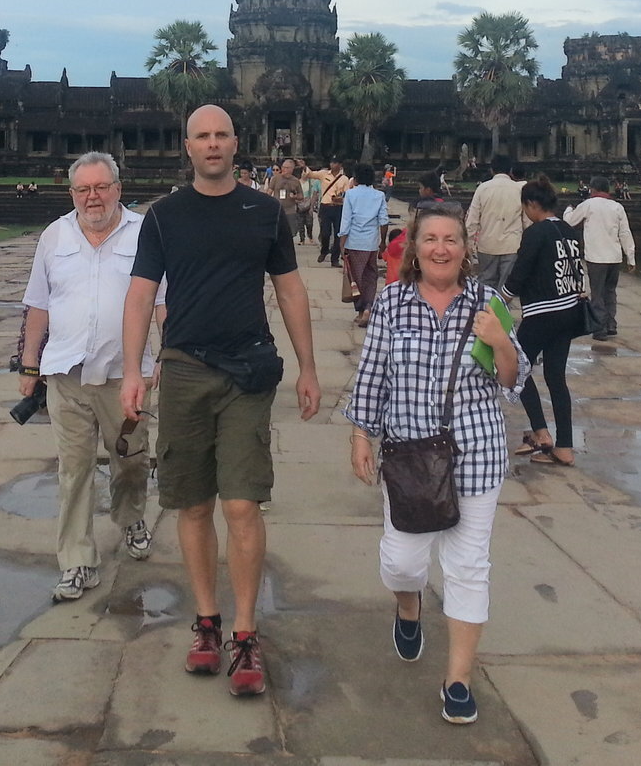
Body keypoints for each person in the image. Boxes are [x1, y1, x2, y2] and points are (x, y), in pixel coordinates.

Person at [121, 104, 322, 698]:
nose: (212, 144)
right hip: (184, 368)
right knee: (190, 503)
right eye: (202, 136)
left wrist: (309, 368)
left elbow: (290, 291)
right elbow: (140, 296)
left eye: (221, 135)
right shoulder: (164, 217)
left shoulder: (264, 212)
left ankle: (245, 630)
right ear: (188, 147)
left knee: (241, 504)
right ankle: (207, 620)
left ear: (237, 143)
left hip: (246, 370)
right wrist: (133, 370)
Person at [343, 206, 529, 726]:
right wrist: (360, 435)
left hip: (475, 456)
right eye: (431, 239)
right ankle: (409, 607)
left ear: (466, 248)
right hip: (409, 458)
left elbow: (513, 381)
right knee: (402, 563)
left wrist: (499, 341)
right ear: (415, 247)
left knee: (468, 568)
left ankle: (458, 681)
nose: (441, 249)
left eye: (451, 240)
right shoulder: (393, 302)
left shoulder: (489, 303)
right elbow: (373, 372)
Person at [21, 152, 163, 602]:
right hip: (66, 375)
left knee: (131, 460)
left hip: (125, 376)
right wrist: (29, 363)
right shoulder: (55, 236)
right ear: (72, 194)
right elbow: (38, 303)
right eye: (83, 189)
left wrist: (166, 354)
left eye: (101, 187)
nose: (93, 197)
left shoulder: (144, 233)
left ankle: (131, 518)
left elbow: (163, 300)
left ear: (118, 189)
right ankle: (77, 560)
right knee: (74, 469)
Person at [505, 176, 586, 466]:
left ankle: (541, 433)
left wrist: (500, 299)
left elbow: (520, 273)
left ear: (532, 204)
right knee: (555, 377)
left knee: (516, 368)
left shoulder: (536, 233)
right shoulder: (568, 230)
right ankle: (565, 446)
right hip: (569, 310)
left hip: (543, 312)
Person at [563, 176, 635, 341]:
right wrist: (631, 258)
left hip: (596, 257)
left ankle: (599, 327)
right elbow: (625, 233)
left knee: (597, 294)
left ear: (593, 189)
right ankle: (610, 324)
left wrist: (568, 210)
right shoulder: (617, 207)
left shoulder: (588, 205)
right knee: (610, 292)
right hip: (614, 257)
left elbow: (570, 221)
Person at [465, 155, 524, 297]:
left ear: (492, 170)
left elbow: (472, 221)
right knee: (506, 288)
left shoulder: (483, 189)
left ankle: (484, 309)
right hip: (512, 245)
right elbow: (526, 220)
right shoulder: (518, 189)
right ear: (510, 170)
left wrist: (468, 244)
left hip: (487, 244)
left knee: (486, 284)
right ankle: (502, 311)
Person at [339, 163, 389, 328]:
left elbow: (346, 220)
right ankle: (368, 306)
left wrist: (342, 242)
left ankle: (361, 310)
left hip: (355, 242)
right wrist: (382, 242)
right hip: (371, 243)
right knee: (370, 276)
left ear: (356, 178)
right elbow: (384, 221)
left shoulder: (351, 195)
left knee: (356, 277)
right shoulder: (379, 195)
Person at [303, 159, 351, 267]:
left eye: (335, 163)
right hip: (326, 206)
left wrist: (340, 198)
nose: (333, 165)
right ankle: (324, 250)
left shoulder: (344, 179)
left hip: (338, 207)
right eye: (332, 162)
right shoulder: (323, 174)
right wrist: (304, 166)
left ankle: (335, 259)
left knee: (338, 234)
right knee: (325, 232)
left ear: (340, 165)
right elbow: (310, 174)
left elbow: (347, 194)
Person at [265, 156, 306, 244]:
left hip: (290, 210)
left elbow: (301, 196)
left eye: (286, 168)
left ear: (292, 169)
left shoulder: (295, 181)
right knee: (277, 231)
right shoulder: (275, 179)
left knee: (290, 233)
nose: (284, 169)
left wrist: (295, 196)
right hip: (277, 210)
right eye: (283, 167)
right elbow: (269, 192)